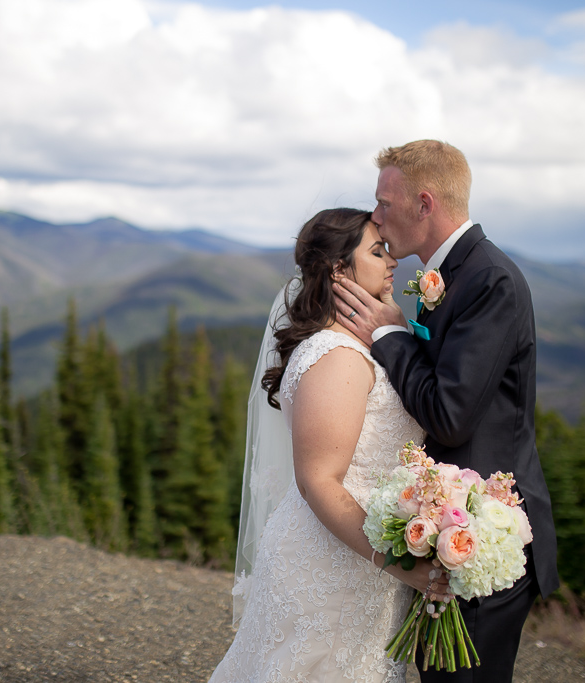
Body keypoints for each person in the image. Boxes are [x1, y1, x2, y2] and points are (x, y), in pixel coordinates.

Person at [333, 140, 560, 683]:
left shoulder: (490, 280)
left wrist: (388, 333)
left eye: (385, 203)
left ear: (425, 204)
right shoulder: (452, 274)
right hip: (443, 524)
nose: (375, 216)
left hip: (483, 532)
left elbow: (450, 415)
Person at [209, 208, 451, 683]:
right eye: (377, 252)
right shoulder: (337, 357)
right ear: (340, 270)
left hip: (359, 561)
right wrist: (402, 565)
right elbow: (318, 480)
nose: (392, 261)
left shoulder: (360, 346)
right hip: (329, 565)